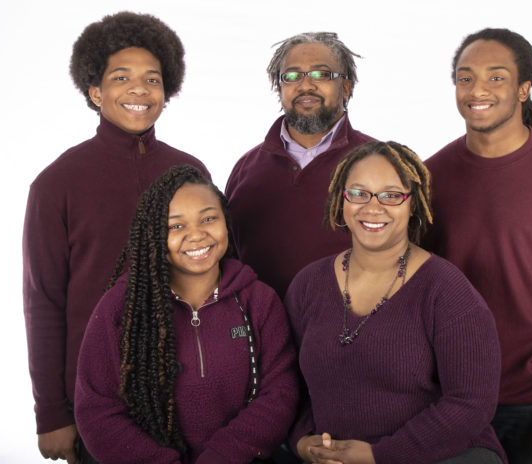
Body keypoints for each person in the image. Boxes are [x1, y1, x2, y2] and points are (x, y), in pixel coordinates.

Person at [22, 12, 209, 463]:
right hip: (98, 398)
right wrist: (51, 413)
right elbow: (43, 302)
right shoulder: (56, 183)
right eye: (121, 77)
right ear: (94, 91)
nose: (139, 89)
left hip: (190, 391)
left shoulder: (190, 173)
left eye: (153, 78)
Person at [424, 28, 532, 463]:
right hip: (448, 397)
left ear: (525, 88)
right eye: (465, 78)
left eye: (496, 77)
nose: (477, 90)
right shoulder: (429, 176)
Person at [285, 141, 506, 464]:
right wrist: (303, 441)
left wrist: (380, 455)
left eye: (391, 195)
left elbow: (471, 404)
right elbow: (287, 383)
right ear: (340, 200)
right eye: (359, 193)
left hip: (444, 457)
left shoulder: (446, 291)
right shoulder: (308, 285)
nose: (372, 208)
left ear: (413, 204)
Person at [74, 165, 298, 463]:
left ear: (226, 222)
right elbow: (98, 411)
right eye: (176, 226)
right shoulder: (121, 308)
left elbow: (279, 394)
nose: (196, 235)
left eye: (208, 218)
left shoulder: (259, 301)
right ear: (154, 233)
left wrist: (221, 457)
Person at [225, 32, 375, 299]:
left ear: (347, 87)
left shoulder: (381, 164)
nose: (306, 85)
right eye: (292, 76)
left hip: (353, 333)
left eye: (321, 75)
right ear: (279, 87)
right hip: (262, 333)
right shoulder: (245, 170)